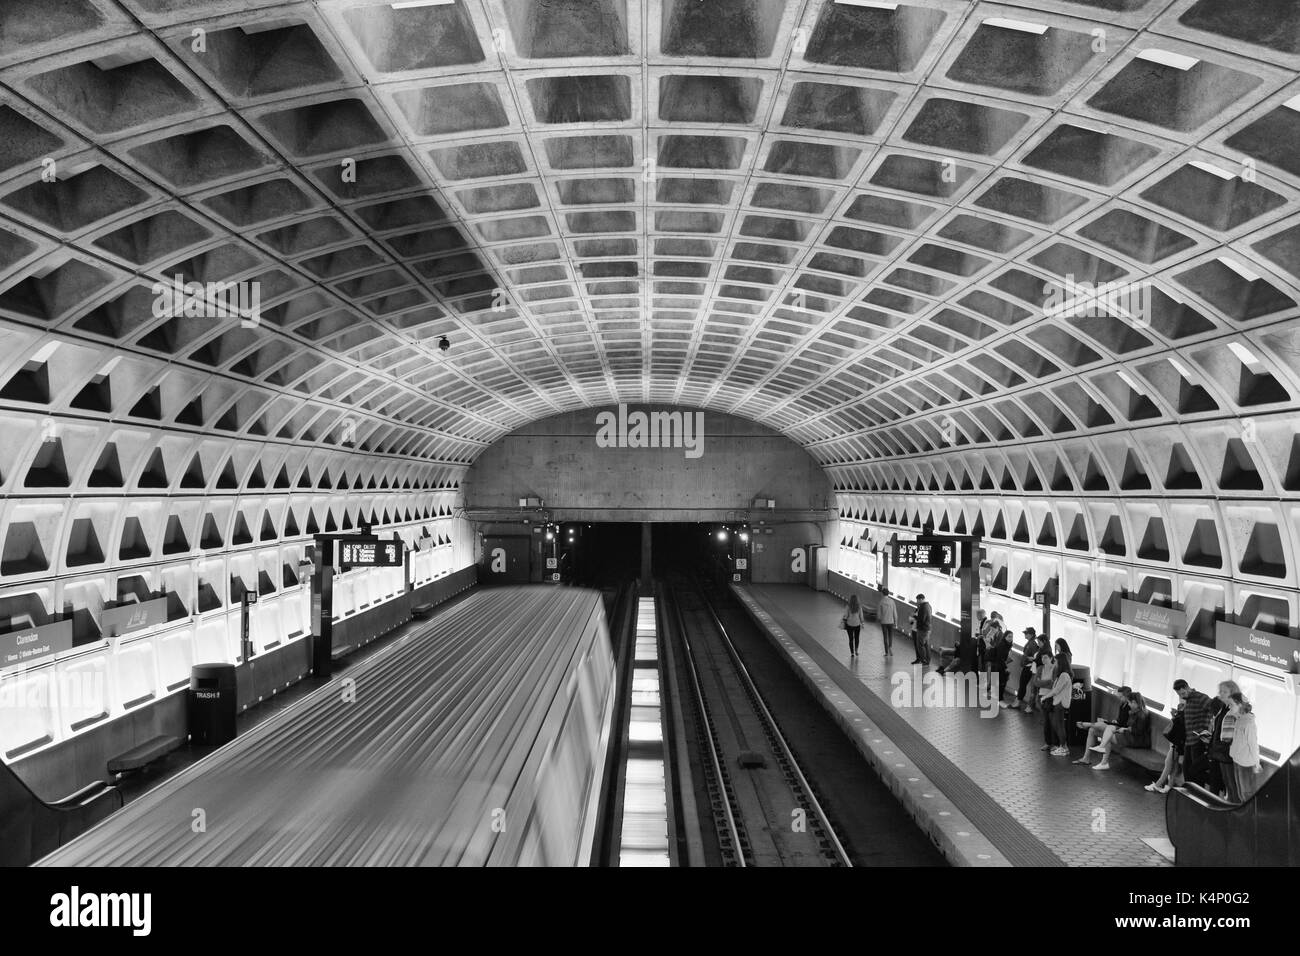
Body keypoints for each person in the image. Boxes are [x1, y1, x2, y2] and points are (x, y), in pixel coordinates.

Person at [1085, 691, 1151, 770]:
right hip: (1130, 736)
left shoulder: (1142, 715)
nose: (1129, 705)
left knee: (1107, 736)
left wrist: (1125, 729)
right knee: (1109, 729)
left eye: (1129, 703)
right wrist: (1124, 728)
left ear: (1134, 702)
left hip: (1137, 740)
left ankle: (1104, 761)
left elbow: (1138, 731)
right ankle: (1102, 752)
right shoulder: (1135, 712)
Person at [1074, 685, 1132, 765]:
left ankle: (1088, 724)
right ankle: (1086, 758)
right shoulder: (1122, 705)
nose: (1119, 698)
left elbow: (1125, 724)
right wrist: (1112, 721)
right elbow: (1120, 720)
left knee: (1103, 726)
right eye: (1118, 696)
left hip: (1121, 731)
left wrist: (1110, 723)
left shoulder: (1130, 707)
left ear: (1127, 696)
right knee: (1092, 730)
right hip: (1116, 727)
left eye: (1121, 697)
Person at [1205, 681, 1240, 798]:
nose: (1221, 694)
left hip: (1228, 752)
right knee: (1225, 782)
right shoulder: (1224, 708)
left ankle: (1233, 809)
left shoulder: (1235, 710)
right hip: (1220, 750)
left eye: (1225, 691)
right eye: (1220, 691)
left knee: (1231, 784)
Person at [1174, 679, 1214, 785]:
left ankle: (1199, 792)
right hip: (1189, 740)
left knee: (1195, 771)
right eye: (1179, 694)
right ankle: (1190, 791)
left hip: (1198, 740)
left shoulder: (1200, 698)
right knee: (1187, 769)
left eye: (1183, 693)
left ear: (1187, 688)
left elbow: (1214, 709)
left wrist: (1208, 726)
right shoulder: (1187, 701)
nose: (1182, 696)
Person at [1146, 699, 1186, 793]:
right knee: (1174, 765)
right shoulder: (1184, 714)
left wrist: (1175, 717)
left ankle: (1158, 784)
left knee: (1168, 763)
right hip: (1178, 743)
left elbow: (1177, 727)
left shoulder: (1183, 715)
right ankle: (1169, 785)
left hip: (1176, 743)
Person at [1227, 692, 1261, 802]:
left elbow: (1253, 744)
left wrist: (1257, 763)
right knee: (1240, 793)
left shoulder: (1249, 722)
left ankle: (1249, 817)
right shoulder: (1239, 719)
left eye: (1231, 704)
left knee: (1246, 795)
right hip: (1237, 760)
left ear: (1240, 705)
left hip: (1245, 763)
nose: (1229, 707)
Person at [1016, 628, 1049, 713]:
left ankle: (1031, 706)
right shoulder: (1039, 647)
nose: (1025, 635)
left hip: (1035, 670)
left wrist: (1032, 660)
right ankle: (1030, 706)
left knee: (1034, 690)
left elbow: (1041, 661)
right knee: (1033, 690)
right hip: (1034, 670)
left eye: (1026, 634)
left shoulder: (1036, 646)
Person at [1032, 649, 1058, 751]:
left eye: (1046, 657)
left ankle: (1055, 743)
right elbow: (1035, 683)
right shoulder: (1040, 668)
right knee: (1046, 721)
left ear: (1051, 658)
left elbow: (1054, 684)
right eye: (1042, 657)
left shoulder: (1055, 669)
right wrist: (1047, 682)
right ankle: (1048, 742)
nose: (1043, 659)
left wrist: (1042, 682)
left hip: (1051, 697)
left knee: (1052, 721)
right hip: (1041, 696)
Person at [913, 593, 932, 666]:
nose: (917, 601)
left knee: (920, 645)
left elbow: (922, 619)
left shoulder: (923, 607)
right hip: (927, 629)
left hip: (922, 629)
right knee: (926, 645)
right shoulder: (929, 606)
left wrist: (915, 617)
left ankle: (923, 660)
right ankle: (927, 660)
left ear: (921, 599)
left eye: (917, 600)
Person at [876, 588, 897, 656]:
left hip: (884, 622)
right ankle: (890, 647)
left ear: (882, 593)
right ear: (888, 593)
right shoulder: (892, 601)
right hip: (891, 621)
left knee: (885, 637)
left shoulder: (881, 602)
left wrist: (879, 619)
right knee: (890, 636)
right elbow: (895, 613)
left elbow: (879, 614)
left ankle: (886, 652)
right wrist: (896, 623)